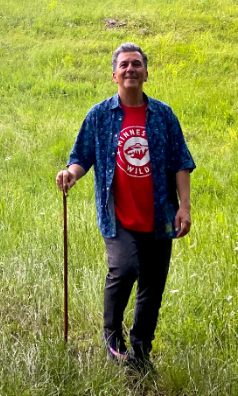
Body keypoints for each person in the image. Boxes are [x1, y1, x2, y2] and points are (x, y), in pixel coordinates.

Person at [56, 42, 195, 370]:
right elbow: (81, 157)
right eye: (124, 65)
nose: (130, 69)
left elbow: (181, 162)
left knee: (153, 283)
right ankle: (111, 333)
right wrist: (71, 174)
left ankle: (141, 351)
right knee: (126, 268)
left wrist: (184, 207)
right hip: (117, 215)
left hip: (160, 215)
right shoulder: (100, 115)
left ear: (146, 73)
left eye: (136, 64)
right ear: (114, 74)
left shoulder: (163, 115)